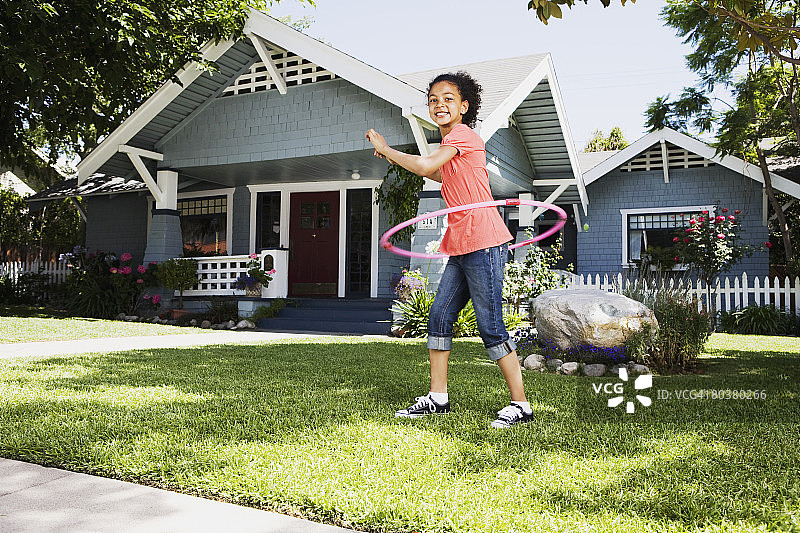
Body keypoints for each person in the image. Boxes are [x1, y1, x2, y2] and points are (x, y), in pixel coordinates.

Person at [365, 71, 533, 429]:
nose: (439, 105)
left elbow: (425, 165)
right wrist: (395, 159)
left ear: (464, 106)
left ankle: (521, 405)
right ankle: (438, 398)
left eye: (448, 99)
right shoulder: (452, 146)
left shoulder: (463, 135)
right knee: (439, 316)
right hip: (460, 243)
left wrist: (385, 148)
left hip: (484, 241)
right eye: (433, 100)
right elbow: (437, 175)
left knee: (491, 326)